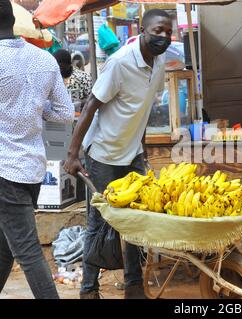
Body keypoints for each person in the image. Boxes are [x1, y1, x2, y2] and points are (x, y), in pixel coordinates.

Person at [63, 9, 172, 299]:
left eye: (167, 32)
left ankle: (134, 285)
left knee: (136, 219)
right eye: (158, 30)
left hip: (132, 152)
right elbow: (90, 107)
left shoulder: (159, 63)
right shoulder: (120, 62)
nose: (163, 37)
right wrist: (73, 154)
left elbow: (144, 108)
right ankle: (89, 289)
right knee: (99, 221)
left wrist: (143, 147)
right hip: (103, 154)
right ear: (142, 29)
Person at [0, 0, 74, 299]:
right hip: (31, 168)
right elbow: (64, 113)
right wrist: (33, 108)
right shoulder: (43, 59)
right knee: (6, 248)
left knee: (28, 252)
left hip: (4, 170)